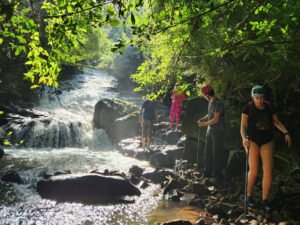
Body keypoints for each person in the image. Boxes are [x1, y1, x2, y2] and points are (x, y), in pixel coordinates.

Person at [240, 85, 292, 211]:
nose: (260, 100)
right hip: (252, 140)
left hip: (267, 140)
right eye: (257, 98)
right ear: (253, 97)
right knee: (254, 169)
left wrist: (286, 133)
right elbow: (243, 126)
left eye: (262, 97)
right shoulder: (248, 107)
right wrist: (244, 139)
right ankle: (249, 196)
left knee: (268, 170)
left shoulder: (269, 107)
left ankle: (265, 200)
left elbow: (276, 121)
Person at [197, 84, 225, 185]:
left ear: (207, 94)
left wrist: (204, 124)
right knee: (207, 153)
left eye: (204, 94)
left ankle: (217, 176)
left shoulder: (218, 103)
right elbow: (209, 115)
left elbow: (216, 119)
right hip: (210, 131)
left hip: (218, 131)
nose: (203, 96)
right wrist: (203, 118)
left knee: (216, 154)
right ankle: (207, 173)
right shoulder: (210, 102)